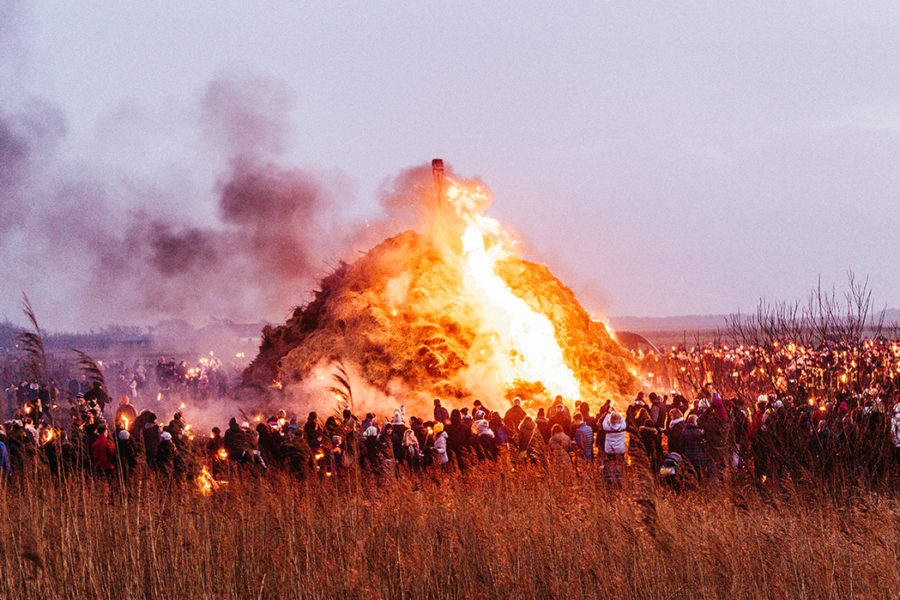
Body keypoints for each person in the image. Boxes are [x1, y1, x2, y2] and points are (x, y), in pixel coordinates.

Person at [602, 411, 627, 486]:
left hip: (610, 449)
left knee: (610, 464)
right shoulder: (623, 426)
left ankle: (610, 479)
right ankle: (620, 478)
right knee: (620, 463)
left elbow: (604, 422)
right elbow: (623, 419)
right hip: (620, 449)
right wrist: (618, 413)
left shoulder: (607, 427)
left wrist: (608, 414)